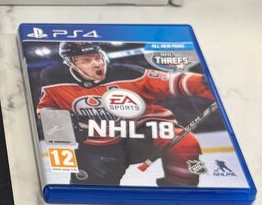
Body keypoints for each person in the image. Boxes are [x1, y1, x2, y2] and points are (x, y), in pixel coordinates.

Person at [36, 41, 215, 186]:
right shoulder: (54, 80)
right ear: (70, 63)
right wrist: (65, 127)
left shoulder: (129, 74)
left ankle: (179, 193)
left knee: (183, 142)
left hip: (140, 132)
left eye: (97, 57)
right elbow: (46, 109)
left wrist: (204, 83)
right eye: (86, 60)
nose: (96, 64)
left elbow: (173, 81)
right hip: (99, 146)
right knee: (92, 195)